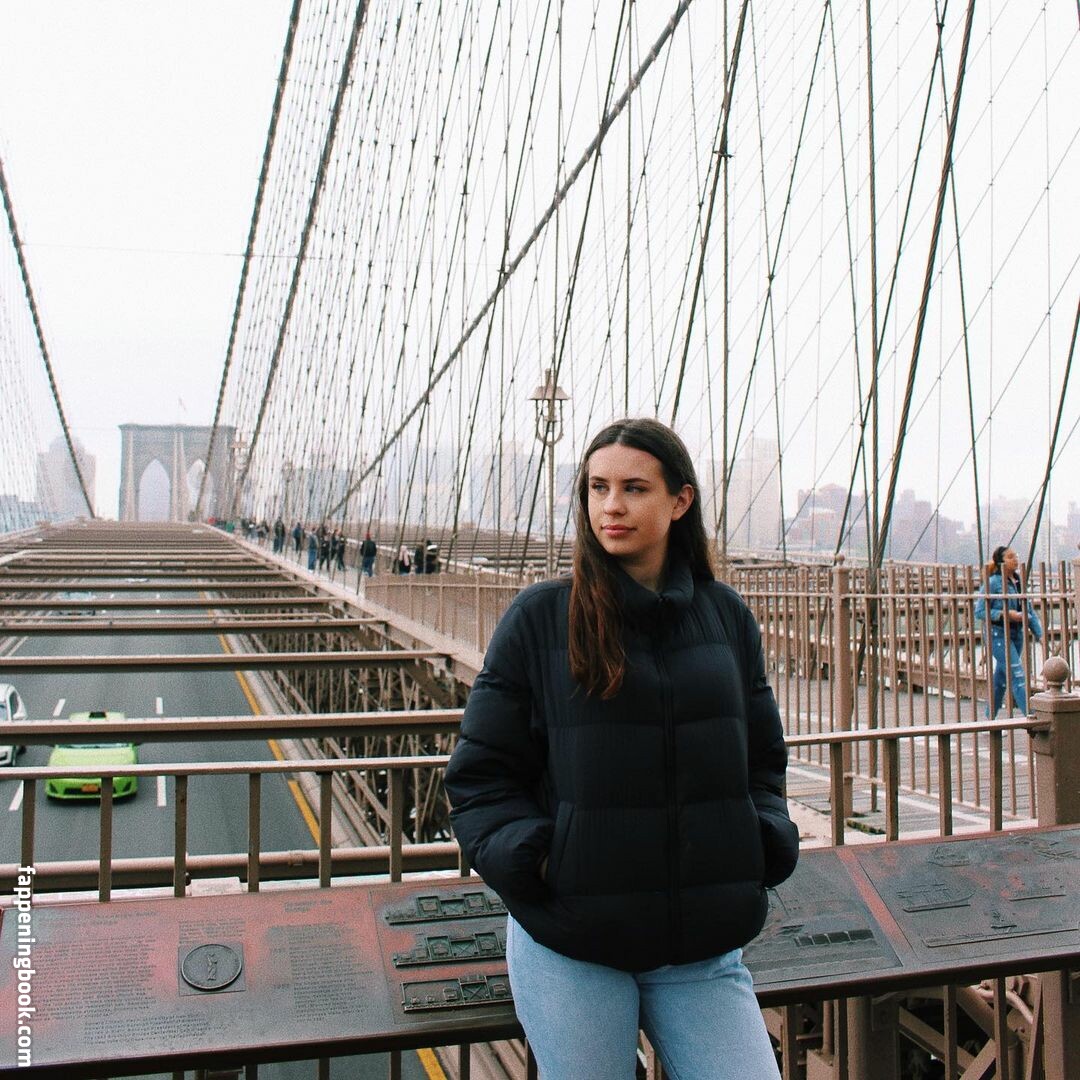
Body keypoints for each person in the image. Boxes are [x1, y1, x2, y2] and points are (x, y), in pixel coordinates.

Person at [445, 418, 797, 1080]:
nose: (611, 505)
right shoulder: (540, 618)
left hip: (700, 947)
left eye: (634, 488)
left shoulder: (725, 617)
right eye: (597, 487)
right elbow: (481, 779)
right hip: (574, 942)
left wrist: (762, 839)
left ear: (680, 501)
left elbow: (762, 761)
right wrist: (542, 861)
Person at [975, 545, 1043, 717]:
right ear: (1001, 562)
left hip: (1017, 634)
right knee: (1017, 674)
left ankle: (990, 719)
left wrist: (1040, 634)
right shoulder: (993, 583)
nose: (1015, 559)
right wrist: (1005, 614)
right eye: (1010, 557)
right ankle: (1031, 717)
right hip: (998, 634)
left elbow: (1028, 610)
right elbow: (980, 611)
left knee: (1000, 680)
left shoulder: (1019, 583)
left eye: (1016, 555)